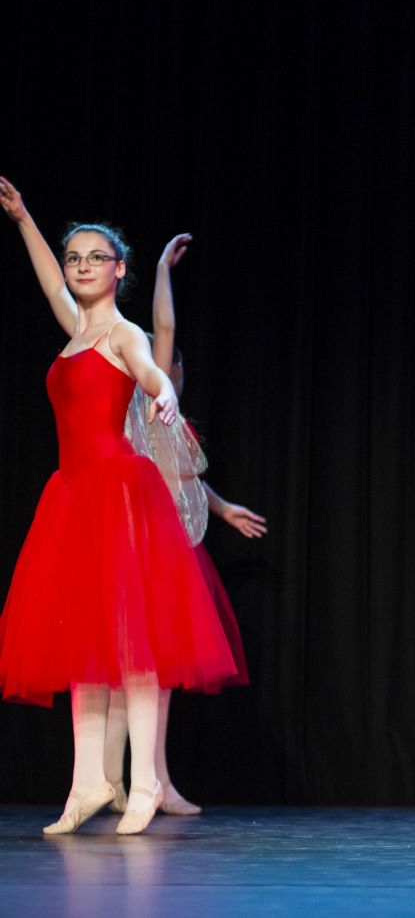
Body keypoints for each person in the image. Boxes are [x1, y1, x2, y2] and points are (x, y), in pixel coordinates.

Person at [0, 176, 237, 835]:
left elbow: (152, 365)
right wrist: (24, 220)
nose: (79, 267)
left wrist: (162, 393)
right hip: (71, 497)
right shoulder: (74, 331)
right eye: (74, 257)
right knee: (83, 648)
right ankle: (86, 786)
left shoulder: (122, 334)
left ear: (119, 270)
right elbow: (48, 283)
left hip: (118, 494)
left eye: (93, 258)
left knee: (134, 646)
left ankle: (144, 784)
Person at [103, 233, 267, 817]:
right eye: (161, 359)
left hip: (176, 548)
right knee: (126, 670)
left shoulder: (174, 425)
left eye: (175, 365)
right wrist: (164, 273)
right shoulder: (133, 408)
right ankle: (115, 780)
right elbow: (162, 330)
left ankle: (157, 781)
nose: (170, 365)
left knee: (158, 673)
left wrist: (222, 509)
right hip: (136, 545)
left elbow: (186, 482)